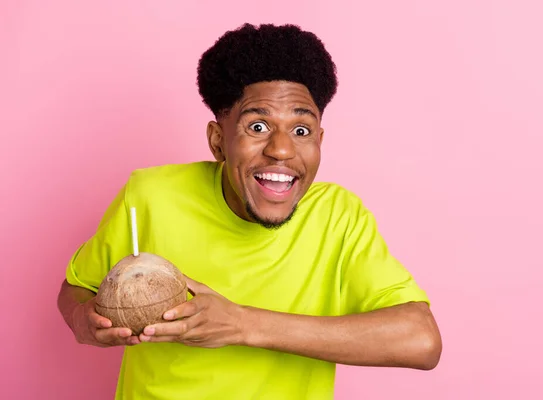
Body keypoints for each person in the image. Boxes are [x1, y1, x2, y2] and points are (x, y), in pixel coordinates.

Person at [57, 23, 442, 400]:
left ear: (320, 140)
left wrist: (241, 324)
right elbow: (76, 288)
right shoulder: (150, 195)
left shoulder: (338, 217)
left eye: (301, 131)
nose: (282, 149)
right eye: (257, 126)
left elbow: (421, 340)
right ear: (218, 141)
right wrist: (82, 321)